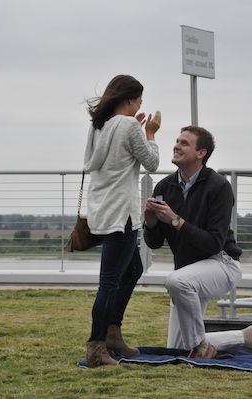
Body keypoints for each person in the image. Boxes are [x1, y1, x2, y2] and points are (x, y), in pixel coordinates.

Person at [143, 126, 252, 359]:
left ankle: (201, 347)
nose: (176, 146)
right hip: (187, 273)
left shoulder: (219, 186)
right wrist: (150, 223)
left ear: (201, 153)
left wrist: (175, 221)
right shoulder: (164, 186)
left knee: (175, 281)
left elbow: (213, 243)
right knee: (179, 350)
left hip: (221, 264)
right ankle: (248, 336)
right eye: (177, 141)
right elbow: (154, 243)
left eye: (184, 143)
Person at [83, 75, 161, 367]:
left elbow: (108, 159)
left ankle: (112, 333)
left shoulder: (99, 126)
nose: (141, 105)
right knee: (111, 282)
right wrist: (150, 133)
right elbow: (152, 162)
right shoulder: (129, 126)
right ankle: (96, 347)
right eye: (140, 100)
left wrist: (138, 132)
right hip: (123, 213)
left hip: (104, 209)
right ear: (129, 99)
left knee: (133, 269)